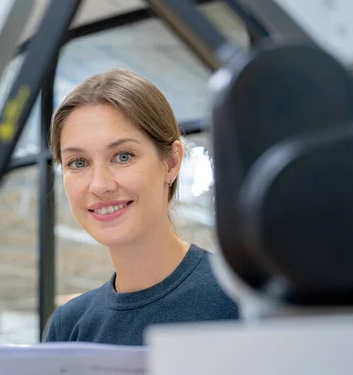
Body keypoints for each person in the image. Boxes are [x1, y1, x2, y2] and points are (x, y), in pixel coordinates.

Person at [44, 68, 238, 346]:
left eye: (123, 156)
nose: (100, 185)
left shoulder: (240, 299)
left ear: (171, 163)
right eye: (78, 163)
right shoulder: (69, 327)